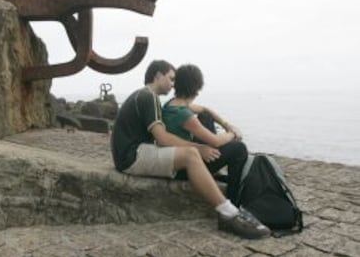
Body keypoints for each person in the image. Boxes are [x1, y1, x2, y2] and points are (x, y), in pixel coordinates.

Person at [111, 60, 270, 239]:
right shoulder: (149, 97)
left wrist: (222, 127)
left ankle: (226, 203)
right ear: (157, 75)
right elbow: (162, 138)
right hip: (132, 157)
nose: (173, 85)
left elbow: (200, 112)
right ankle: (229, 214)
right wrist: (201, 147)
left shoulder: (147, 96)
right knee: (191, 154)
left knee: (194, 150)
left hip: (132, 153)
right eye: (170, 79)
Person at [162, 64, 248, 203]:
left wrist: (226, 125)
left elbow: (205, 110)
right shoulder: (183, 114)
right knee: (239, 149)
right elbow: (215, 141)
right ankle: (234, 202)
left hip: (178, 159)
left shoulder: (172, 104)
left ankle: (215, 173)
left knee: (205, 116)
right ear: (197, 88)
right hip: (185, 169)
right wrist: (232, 133)